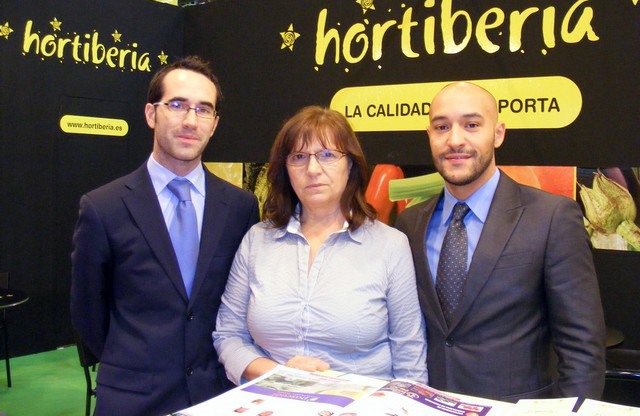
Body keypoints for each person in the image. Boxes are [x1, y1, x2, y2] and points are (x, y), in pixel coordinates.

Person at [70, 56, 259, 416]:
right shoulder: (103, 207)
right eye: (177, 105)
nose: (190, 120)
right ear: (150, 114)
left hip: (215, 396)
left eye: (203, 109)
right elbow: (88, 312)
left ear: (215, 124)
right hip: (132, 398)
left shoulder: (240, 208)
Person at [395, 81, 606, 402]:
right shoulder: (410, 224)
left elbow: (582, 346)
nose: (455, 140)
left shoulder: (551, 217)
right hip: (431, 405)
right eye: (441, 127)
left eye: (471, 125)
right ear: (429, 135)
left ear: (498, 134)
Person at [213, 106, 427, 385]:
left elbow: (410, 357)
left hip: (364, 402)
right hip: (273, 398)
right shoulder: (258, 240)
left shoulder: (390, 246)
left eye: (327, 155)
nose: (313, 169)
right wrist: (279, 374)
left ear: (350, 165)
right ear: (285, 169)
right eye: (299, 157)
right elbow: (228, 335)